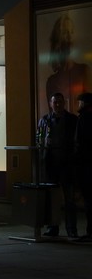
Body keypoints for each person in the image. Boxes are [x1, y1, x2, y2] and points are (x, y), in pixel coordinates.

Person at [37, 92, 78, 238]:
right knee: (52, 199)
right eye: (55, 102)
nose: (58, 105)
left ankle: (71, 229)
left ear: (64, 103)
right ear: (50, 103)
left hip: (67, 165)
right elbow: (39, 140)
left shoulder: (73, 120)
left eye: (60, 102)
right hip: (51, 165)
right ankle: (52, 227)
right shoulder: (45, 120)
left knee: (70, 200)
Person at [45, 13, 92, 113]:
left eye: (71, 32)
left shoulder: (83, 71)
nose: (70, 36)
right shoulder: (51, 82)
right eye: (66, 33)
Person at [75, 92, 92, 240]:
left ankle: (90, 231)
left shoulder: (83, 119)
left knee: (88, 199)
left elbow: (79, 142)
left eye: (79, 102)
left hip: (86, 165)